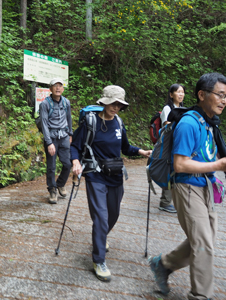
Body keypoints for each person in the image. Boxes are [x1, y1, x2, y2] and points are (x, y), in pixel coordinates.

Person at [148, 73, 226, 299]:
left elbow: (204, 155)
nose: (224, 100)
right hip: (186, 187)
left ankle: (163, 264)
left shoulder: (209, 123)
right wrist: (219, 165)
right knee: (203, 245)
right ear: (202, 95)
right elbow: (180, 164)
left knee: (205, 241)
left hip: (205, 186)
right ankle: (200, 295)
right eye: (220, 95)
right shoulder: (189, 123)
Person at [71, 85, 152, 282]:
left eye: (119, 104)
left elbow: (125, 147)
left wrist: (141, 151)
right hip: (95, 175)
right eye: (113, 103)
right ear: (104, 102)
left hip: (115, 175)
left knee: (113, 214)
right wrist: (75, 162)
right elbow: (75, 145)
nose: (116, 107)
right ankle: (99, 260)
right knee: (101, 216)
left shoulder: (119, 123)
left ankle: (101, 236)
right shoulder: (91, 122)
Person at [40, 78, 73, 204]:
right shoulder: (45, 104)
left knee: (67, 164)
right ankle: (52, 189)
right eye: (55, 86)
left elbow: (69, 118)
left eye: (60, 85)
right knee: (51, 167)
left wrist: (70, 134)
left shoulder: (66, 102)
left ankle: (60, 183)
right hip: (51, 137)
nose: (58, 88)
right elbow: (44, 124)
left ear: (63, 88)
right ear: (50, 89)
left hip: (64, 136)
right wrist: (49, 143)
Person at [158, 84, 186, 213]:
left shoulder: (183, 109)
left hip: (180, 143)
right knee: (170, 170)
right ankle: (164, 202)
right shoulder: (167, 108)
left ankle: (176, 200)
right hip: (169, 144)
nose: (181, 94)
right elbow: (166, 126)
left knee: (178, 170)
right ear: (171, 95)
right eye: (178, 92)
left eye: (182, 92)